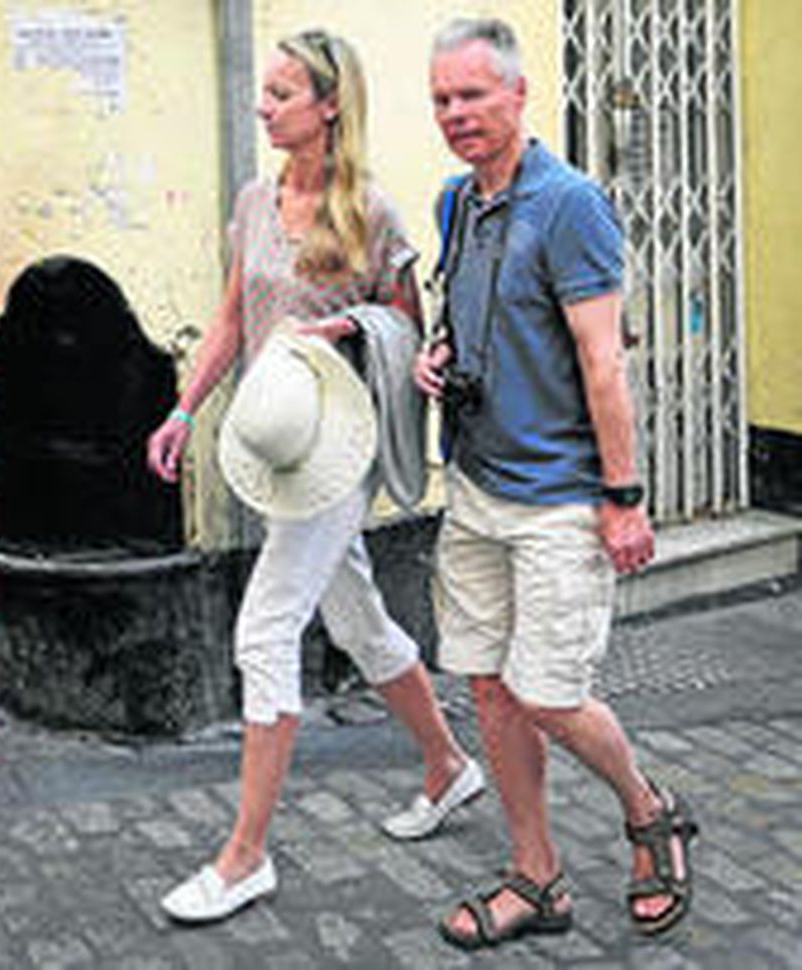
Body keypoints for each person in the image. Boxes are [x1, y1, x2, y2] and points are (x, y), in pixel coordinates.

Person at [145, 30, 483, 924]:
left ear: (328, 105)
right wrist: (183, 410)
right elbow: (229, 319)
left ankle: (245, 855)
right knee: (357, 617)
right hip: (274, 446)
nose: (264, 105)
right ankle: (449, 765)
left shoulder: (370, 211)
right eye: (262, 90)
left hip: (338, 449)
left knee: (264, 631)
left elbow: (411, 335)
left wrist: (353, 328)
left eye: (282, 92)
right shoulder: (257, 201)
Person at [417, 19, 697, 949]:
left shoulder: (570, 202)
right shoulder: (459, 203)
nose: (456, 114)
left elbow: (600, 360)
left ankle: (648, 808)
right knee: (492, 689)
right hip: (476, 486)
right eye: (443, 99)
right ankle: (537, 878)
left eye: (473, 96)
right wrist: (437, 354)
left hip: (560, 495)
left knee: (549, 693)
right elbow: (480, 321)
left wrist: (624, 496)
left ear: (519, 93)